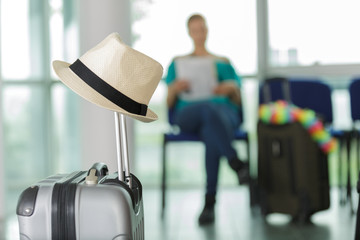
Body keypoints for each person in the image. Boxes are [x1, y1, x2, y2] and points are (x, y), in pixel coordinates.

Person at [165, 13, 249, 225]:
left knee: (211, 128)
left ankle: (209, 202)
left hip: (223, 114)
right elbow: (168, 102)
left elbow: (238, 101)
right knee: (207, 110)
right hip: (188, 114)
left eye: (202, 29)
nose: (199, 34)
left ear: (207, 30)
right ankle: (235, 161)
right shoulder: (177, 63)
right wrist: (175, 88)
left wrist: (230, 88)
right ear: (189, 33)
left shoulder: (223, 62)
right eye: (195, 30)